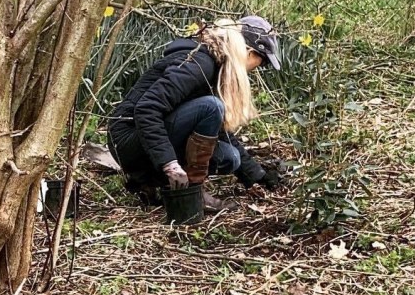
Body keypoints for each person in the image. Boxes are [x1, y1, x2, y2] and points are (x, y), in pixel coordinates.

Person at [106, 15, 285, 212]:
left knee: (230, 157)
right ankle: (191, 191)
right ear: (249, 52)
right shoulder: (200, 64)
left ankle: (149, 181)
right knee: (212, 106)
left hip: (143, 139)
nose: (258, 67)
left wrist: (256, 176)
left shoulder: (216, 64)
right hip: (127, 138)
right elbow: (147, 109)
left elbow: (218, 130)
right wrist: (170, 164)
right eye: (262, 61)